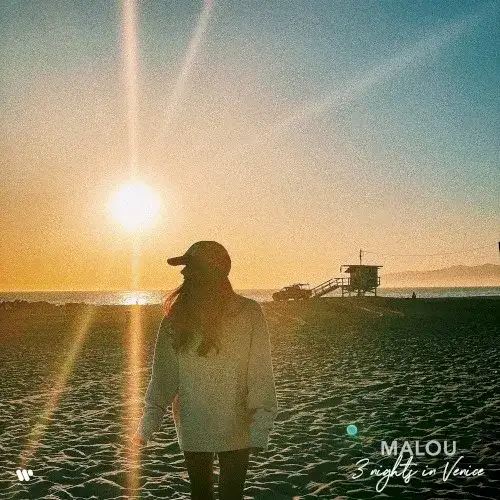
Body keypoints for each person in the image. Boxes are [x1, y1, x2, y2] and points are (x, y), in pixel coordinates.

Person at [133, 240, 279, 499]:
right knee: (206, 493)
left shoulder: (248, 313)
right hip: (196, 427)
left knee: (220, 494)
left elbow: (259, 374)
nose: (183, 272)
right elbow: (164, 379)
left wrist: (261, 427)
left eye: (190, 267)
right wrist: (147, 426)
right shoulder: (175, 319)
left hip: (233, 426)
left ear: (212, 271)